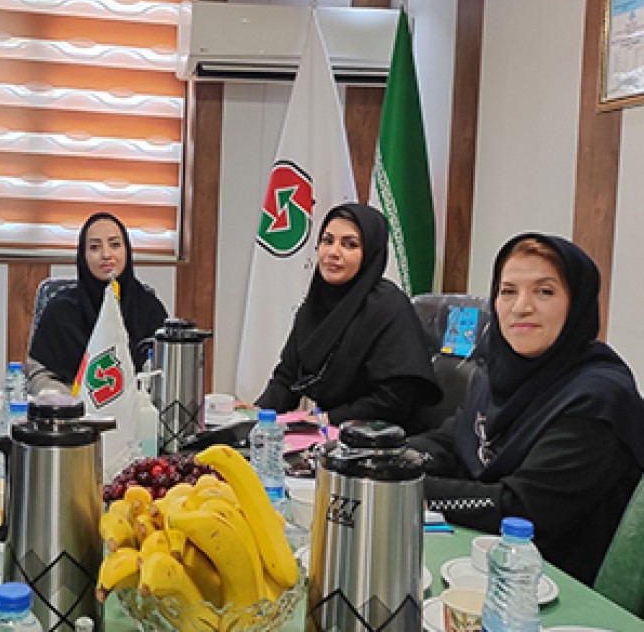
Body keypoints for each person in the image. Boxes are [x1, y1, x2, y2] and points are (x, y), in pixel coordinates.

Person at [410, 233, 644, 585]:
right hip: (488, 559)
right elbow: (454, 440)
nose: (521, 306)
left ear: (576, 303)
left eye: (544, 291)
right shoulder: (502, 373)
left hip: (555, 583)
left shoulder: (599, 398)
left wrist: (408, 488)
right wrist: (387, 456)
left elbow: (522, 510)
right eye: (508, 291)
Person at [256, 203, 439, 433]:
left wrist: (328, 419)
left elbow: (393, 402)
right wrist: (255, 416)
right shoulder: (315, 305)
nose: (333, 252)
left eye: (349, 244)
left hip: (384, 440)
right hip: (330, 435)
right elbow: (287, 378)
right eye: (327, 241)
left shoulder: (388, 307)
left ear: (370, 253)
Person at [27, 212, 168, 394]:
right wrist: (67, 401)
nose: (106, 254)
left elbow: (162, 374)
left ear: (127, 250)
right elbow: (39, 375)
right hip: (71, 406)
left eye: (115, 245)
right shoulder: (60, 309)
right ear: (83, 255)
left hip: (135, 406)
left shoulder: (148, 307)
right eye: (94, 247)